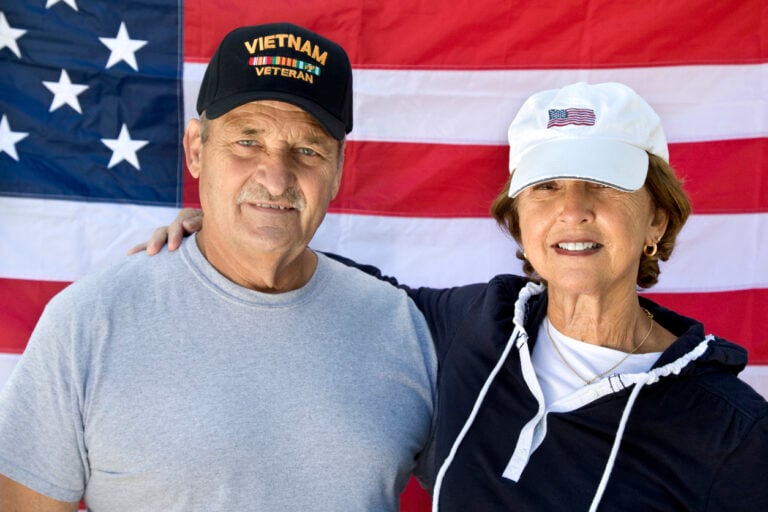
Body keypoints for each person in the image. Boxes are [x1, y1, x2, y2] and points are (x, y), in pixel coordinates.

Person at [148, 82, 768, 510]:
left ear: (656, 221)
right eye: (546, 187)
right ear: (518, 219)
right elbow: (327, 282)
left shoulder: (731, 431)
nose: (573, 211)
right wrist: (228, 230)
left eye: (604, 185)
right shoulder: (471, 326)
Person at [0, 23, 437, 511]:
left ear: (337, 170)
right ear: (195, 149)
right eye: (247, 141)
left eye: (308, 150)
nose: (275, 179)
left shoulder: (403, 325)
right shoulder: (89, 322)